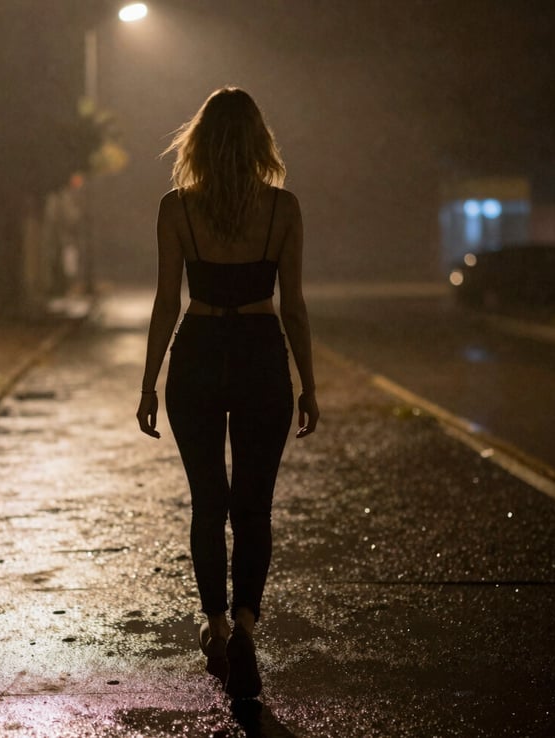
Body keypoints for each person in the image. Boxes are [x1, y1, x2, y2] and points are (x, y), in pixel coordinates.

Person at [136, 87, 319, 699]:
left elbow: (167, 302)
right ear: (259, 141)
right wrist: (308, 385)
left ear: (200, 143)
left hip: (198, 353)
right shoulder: (283, 209)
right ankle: (245, 625)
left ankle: (214, 625)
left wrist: (149, 383)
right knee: (254, 506)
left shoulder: (177, 209)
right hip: (261, 354)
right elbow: (293, 306)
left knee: (208, 503)